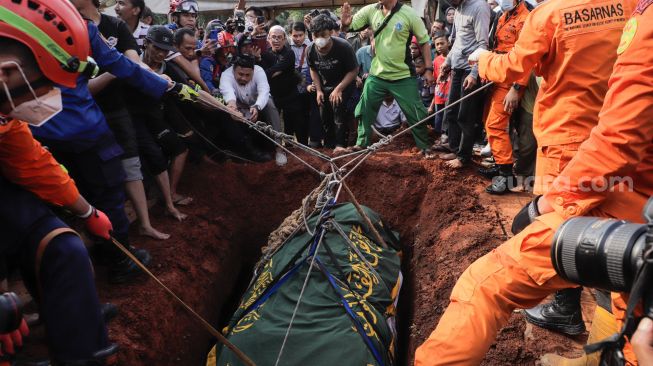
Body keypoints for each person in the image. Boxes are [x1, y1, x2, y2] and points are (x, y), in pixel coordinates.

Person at [413, 0, 638, 363]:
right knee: (617, 250)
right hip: (621, 146)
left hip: (570, 143)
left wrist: (482, 59)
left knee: (553, 240)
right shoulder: (633, 8)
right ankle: (603, 349)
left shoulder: (549, 14)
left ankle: (566, 313)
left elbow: (514, 66)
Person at [0, 0, 118, 362]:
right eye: (42, 84)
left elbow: (33, 162)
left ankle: (82, 354)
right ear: (7, 71)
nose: (45, 97)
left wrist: (87, 212)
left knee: (62, 248)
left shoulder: (5, 115)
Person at [75, 0, 171, 240]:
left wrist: (160, 80)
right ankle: (108, 240)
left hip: (116, 109)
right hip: (84, 115)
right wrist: (116, 68)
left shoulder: (115, 26)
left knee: (131, 165)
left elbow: (134, 63)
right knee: (97, 176)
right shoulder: (69, 27)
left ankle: (145, 225)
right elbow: (90, 86)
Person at [340, 0, 435, 158]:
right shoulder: (370, 10)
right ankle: (361, 144)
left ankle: (424, 146)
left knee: (416, 112)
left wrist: (428, 69)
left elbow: (424, 41)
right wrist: (344, 24)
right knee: (364, 108)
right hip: (377, 74)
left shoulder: (409, 13)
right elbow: (349, 26)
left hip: (403, 75)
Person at [477, 0, 531, 194]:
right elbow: (496, 47)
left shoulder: (526, 19)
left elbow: (527, 57)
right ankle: (500, 165)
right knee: (488, 121)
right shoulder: (503, 16)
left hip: (511, 80)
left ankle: (507, 175)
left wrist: (516, 88)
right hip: (497, 75)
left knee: (495, 124)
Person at [437, 0, 491, 169]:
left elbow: (483, 45)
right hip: (457, 68)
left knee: (465, 115)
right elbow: (457, 41)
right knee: (451, 111)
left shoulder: (479, 7)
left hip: (470, 69)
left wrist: (475, 73)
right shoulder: (458, 9)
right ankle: (455, 148)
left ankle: (464, 156)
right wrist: (447, 63)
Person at [219, 56, 287, 166]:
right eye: (240, 74)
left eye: (247, 75)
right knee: (224, 110)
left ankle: (279, 148)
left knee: (270, 105)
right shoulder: (226, 75)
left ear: (253, 71)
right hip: (238, 106)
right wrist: (232, 107)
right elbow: (228, 93)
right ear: (233, 70)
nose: (244, 78)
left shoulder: (259, 71)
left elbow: (264, 91)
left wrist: (257, 106)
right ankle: (242, 151)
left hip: (259, 103)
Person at [307, 15, 359, 154]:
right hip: (324, 86)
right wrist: (318, 90)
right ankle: (329, 146)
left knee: (338, 113)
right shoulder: (310, 49)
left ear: (330, 32)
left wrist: (339, 89)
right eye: (315, 35)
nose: (319, 39)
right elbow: (313, 69)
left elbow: (354, 70)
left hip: (344, 84)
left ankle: (340, 145)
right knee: (325, 116)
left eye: (323, 35)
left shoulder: (343, 46)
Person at [260, 26, 305, 151]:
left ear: (285, 39)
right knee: (273, 124)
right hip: (273, 96)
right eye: (273, 37)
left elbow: (268, 72)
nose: (276, 40)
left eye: (279, 37)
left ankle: (303, 149)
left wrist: (271, 70)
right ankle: (276, 149)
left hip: (290, 94)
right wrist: (275, 69)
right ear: (268, 38)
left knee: (296, 123)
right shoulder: (265, 54)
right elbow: (265, 74)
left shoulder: (289, 53)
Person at [429, 32, 451, 137]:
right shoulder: (436, 61)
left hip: (450, 96)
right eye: (437, 44)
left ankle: (447, 139)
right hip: (439, 96)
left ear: (448, 43)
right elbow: (435, 80)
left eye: (442, 43)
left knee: (449, 118)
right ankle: (438, 139)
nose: (439, 46)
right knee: (439, 120)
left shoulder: (453, 59)